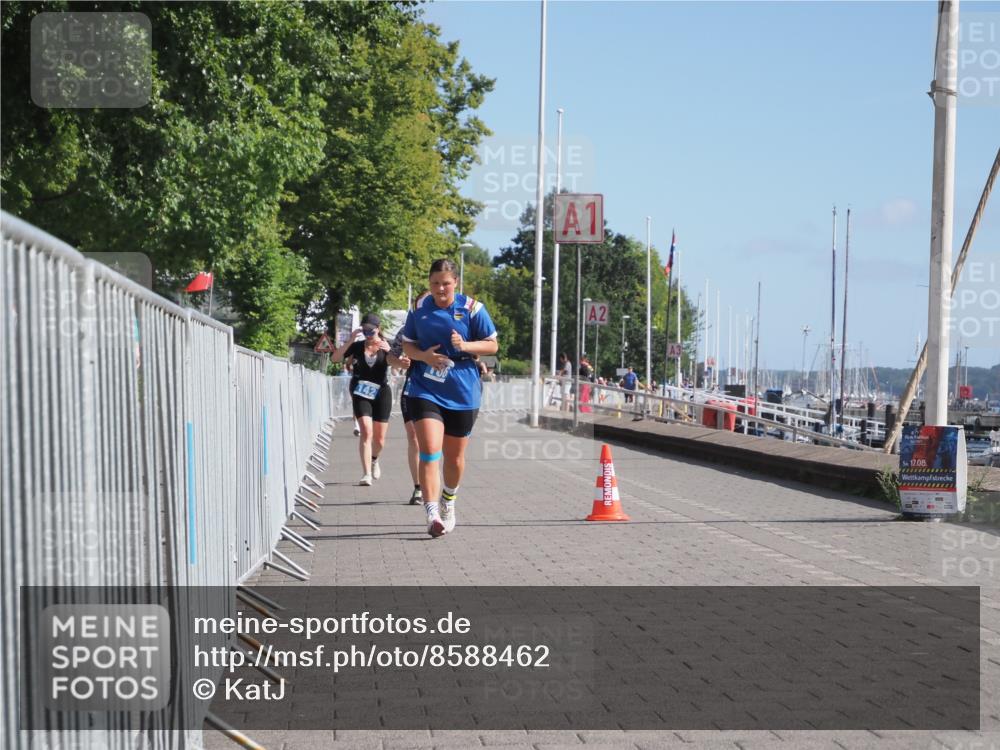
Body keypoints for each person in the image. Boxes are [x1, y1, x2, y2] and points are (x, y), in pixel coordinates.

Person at [401, 259, 498, 537]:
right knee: (430, 450)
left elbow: (492, 344)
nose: (440, 289)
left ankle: (448, 500)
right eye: (434, 283)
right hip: (425, 385)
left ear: (455, 282)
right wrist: (424, 356)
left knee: (454, 459)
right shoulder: (420, 308)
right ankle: (432, 513)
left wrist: (465, 345)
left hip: (462, 388)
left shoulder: (472, 309)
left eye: (445, 283)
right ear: (429, 284)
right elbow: (408, 343)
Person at [332, 313, 405, 486]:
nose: (368, 334)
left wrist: (389, 351)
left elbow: (400, 365)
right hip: (360, 391)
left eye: (371, 331)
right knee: (366, 431)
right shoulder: (356, 346)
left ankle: (374, 459)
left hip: (381, 392)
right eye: (364, 331)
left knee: (379, 440)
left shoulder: (387, 346)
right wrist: (350, 340)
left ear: (378, 329)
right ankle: (366, 474)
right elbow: (335, 358)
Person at [392, 291, 430, 505]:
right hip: (414, 388)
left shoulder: (450, 326)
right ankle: (418, 488)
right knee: (414, 437)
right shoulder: (407, 330)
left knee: (437, 442)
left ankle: (436, 482)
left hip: (443, 391)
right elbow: (391, 357)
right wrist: (400, 363)